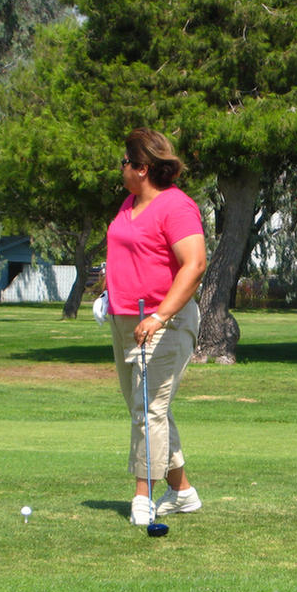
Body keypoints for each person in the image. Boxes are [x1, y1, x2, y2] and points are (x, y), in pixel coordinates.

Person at [105, 128, 207, 527]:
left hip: (166, 321)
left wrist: (160, 315)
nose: (122, 168)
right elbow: (129, 256)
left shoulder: (176, 207)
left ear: (142, 168)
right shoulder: (129, 203)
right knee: (144, 410)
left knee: (150, 411)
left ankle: (142, 495)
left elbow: (194, 265)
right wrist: (106, 295)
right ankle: (182, 492)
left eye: (125, 162)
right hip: (124, 319)